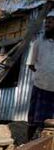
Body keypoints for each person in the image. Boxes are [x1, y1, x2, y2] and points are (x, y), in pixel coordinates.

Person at [28, 10, 54, 140]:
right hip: (40, 86)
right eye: (46, 21)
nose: (47, 24)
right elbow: (31, 65)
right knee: (34, 119)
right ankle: (29, 141)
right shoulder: (38, 42)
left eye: (51, 21)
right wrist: (44, 73)